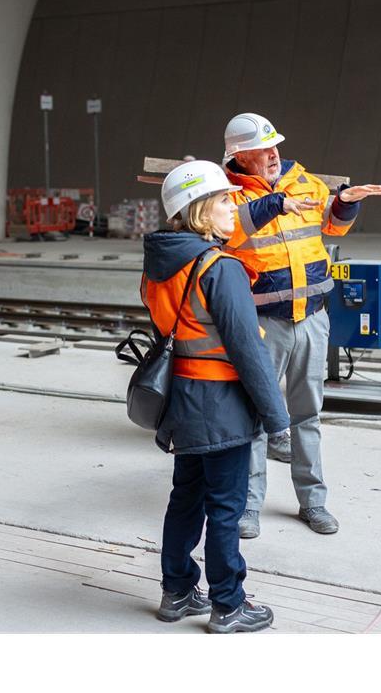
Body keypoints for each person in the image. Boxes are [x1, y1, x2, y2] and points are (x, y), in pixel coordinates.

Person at [142, 160, 290, 633]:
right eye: (225, 199)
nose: (233, 206)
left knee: (185, 496)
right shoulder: (219, 268)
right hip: (220, 402)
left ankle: (178, 591)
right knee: (226, 505)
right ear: (201, 210)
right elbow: (249, 351)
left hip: (179, 401)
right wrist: (277, 418)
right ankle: (229, 604)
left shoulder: (160, 262)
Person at [221, 112, 381, 538]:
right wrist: (274, 203)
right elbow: (230, 232)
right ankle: (248, 508)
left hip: (312, 320)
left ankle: (313, 503)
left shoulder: (305, 181)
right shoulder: (227, 194)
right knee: (254, 418)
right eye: (263, 149)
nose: (274, 154)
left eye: (276, 145)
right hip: (260, 324)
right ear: (240, 156)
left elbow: (333, 226)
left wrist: (346, 202)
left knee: (307, 415)